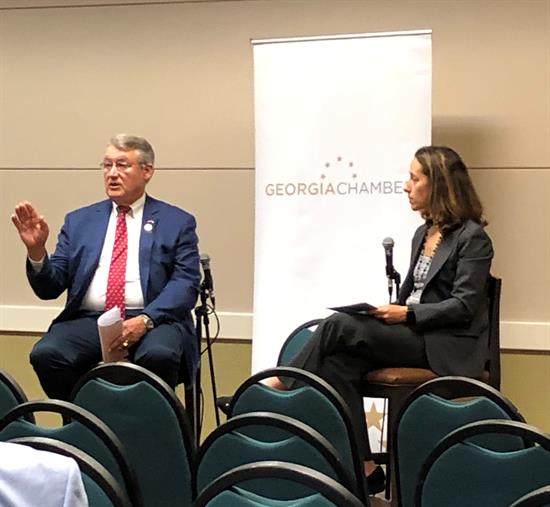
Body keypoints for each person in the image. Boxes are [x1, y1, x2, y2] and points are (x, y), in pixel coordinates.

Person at [266, 145, 494, 494]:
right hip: (412, 331)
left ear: (438, 184)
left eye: (414, 179)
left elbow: (465, 305)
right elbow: (412, 294)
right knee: (337, 364)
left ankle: (283, 385)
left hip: (444, 344)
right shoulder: (423, 233)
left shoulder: (473, 238)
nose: (406, 186)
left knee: (338, 325)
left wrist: (408, 313)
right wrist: (389, 312)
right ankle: (366, 467)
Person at [12, 134, 200, 400]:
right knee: (47, 354)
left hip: (153, 319)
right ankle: (85, 417)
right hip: (90, 319)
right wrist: (36, 250)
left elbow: (185, 284)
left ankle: (147, 420)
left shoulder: (176, 222)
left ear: (147, 171)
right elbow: (49, 288)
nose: (112, 173)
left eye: (122, 165)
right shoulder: (79, 221)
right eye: (107, 165)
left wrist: (145, 320)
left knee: (159, 355)